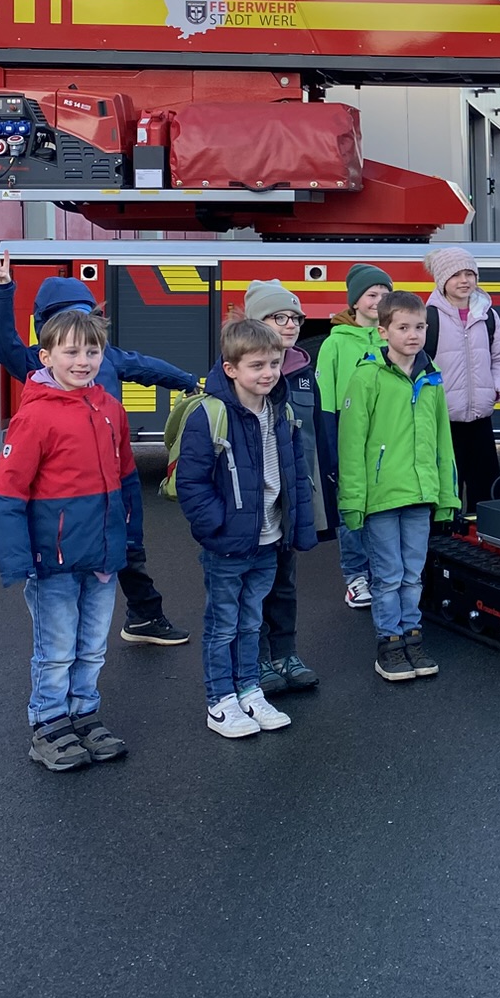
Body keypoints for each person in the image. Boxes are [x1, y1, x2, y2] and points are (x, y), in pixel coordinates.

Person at [0, 250, 197, 646]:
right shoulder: (37, 363)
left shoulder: (108, 357)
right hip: (70, 490)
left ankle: (144, 617)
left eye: (88, 328)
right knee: (85, 565)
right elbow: (3, 342)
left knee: (129, 548)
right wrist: (1, 292)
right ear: (47, 336)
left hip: (115, 477)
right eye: (66, 327)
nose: (81, 354)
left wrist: (186, 380)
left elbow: (150, 367)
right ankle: (114, 627)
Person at [0, 307, 137, 771]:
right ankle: (49, 723)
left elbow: (127, 478)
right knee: (55, 649)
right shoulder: (34, 417)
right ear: (46, 356)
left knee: (93, 645)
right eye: (71, 351)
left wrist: (130, 538)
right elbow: (7, 494)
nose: (83, 360)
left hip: (103, 557)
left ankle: (83, 714)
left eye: (92, 351)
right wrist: (17, 561)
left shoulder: (110, 407)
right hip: (50, 561)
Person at [174, 317, 316, 739]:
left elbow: (293, 474)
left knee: (251, 621)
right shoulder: (210, 414)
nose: (268, 373)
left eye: (274, 363)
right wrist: (217, 527)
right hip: (228, 546)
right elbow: (192, 482)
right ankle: (220, 702)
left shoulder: (280, 409)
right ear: (231, 368)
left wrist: (294, 528)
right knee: (223, 625)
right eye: (257, 366)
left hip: (270, 540)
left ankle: (249, 690)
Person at [339, 290, 458, 683]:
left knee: (413, 574)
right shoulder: (367, 376)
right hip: (382, 497)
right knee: (387, 576)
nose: (413, 335)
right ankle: (389, 643)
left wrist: (446, 495)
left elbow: (443, 441)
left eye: (419, 327)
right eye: (403, 327)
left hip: (421, 494)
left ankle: (412, 635)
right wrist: (353, 500)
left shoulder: (431, 377)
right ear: (383, 329)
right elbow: (352, 445)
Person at [240, 280, 325, 696]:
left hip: (290, 500)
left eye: (295, 317)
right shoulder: (239, 375)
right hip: (251, 506)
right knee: (251, 586)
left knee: (285, 583)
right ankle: (254, 659)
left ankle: (284, 654)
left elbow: (313, 441)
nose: (291, 324)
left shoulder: (303, 372)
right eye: (280, 317)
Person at [312, 263, 394, 611]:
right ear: (355, 302)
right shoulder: (335, 343)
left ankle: (382, 572)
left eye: (385, 295)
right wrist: (330, 447)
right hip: (348, 432)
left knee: (383, 506)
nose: (379, 300)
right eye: (372, 294)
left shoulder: (392, 338)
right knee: (352, 508)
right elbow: (325, 399)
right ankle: (356, 577)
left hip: (387, 434)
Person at [423, 246, 500, 530]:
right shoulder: (429, 318)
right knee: (445, 491)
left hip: (480, 419)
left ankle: (486, 542)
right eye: (456, 275)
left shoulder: (488, 316)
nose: (464, 281)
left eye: (470, 274)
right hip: (443, 420)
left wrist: (496, 386)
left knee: (486, 492)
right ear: (442, 280)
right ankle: (442, 545)